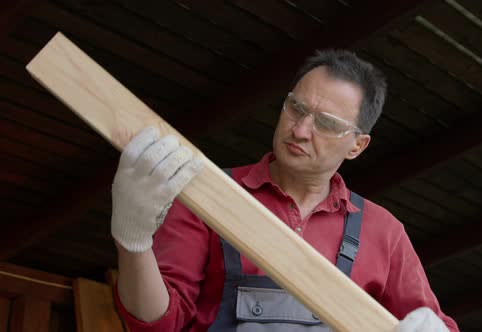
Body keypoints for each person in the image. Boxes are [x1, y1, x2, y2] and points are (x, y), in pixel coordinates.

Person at [111, 50, 459, 331]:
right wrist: (133, 242)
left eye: (326, 123)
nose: (301, 129)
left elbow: (434, 323)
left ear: (357, 145)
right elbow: (158, 325)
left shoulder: (384, 233)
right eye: (297, 108)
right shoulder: (207, 195)